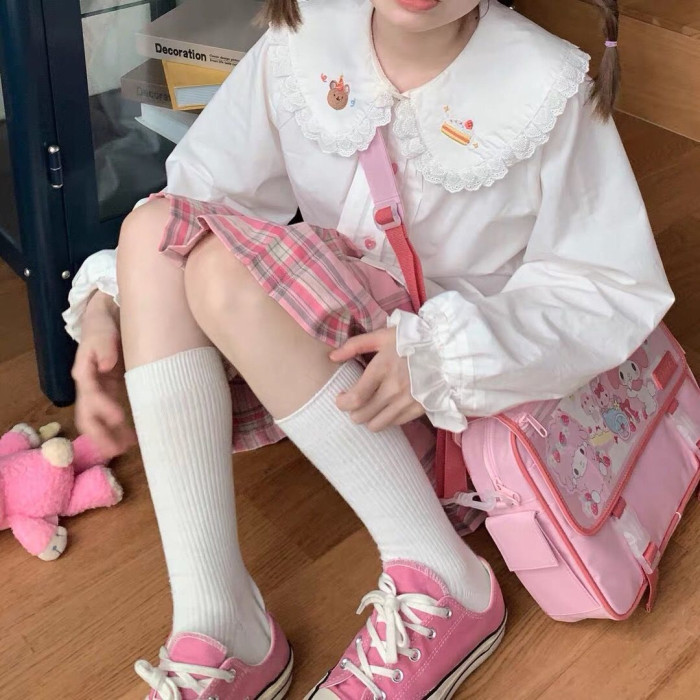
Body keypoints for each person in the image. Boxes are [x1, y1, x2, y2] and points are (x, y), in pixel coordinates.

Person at [63, 1, 673, 698]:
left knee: (222, 271)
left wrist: (444, 359)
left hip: (465, 413)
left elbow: (607, 286)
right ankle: (219, 619)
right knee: (151, 231)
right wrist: (115, 302)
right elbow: (200, 198)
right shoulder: (306, 35)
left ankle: (443, 575)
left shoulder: (546, 85)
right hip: (347, 383)